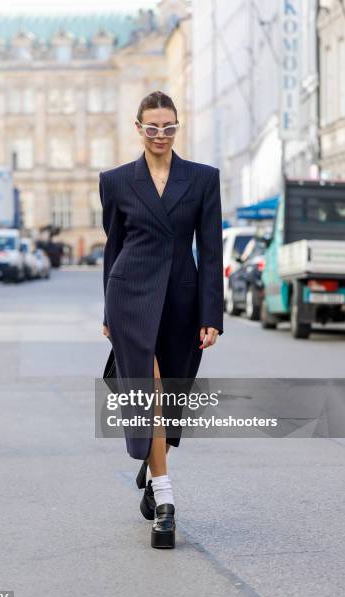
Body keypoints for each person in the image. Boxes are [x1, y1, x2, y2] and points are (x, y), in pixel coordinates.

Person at [99, 91, 224, 549]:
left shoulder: (203, 179)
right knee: (149, 391)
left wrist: (212, 313)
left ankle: (152, 473)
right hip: (130, 294)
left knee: (171, 396)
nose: (159, 135)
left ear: (177, 127)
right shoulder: (114, 181)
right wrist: (109, 311)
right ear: (138, 128)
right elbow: (114, 247)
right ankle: (166, 504)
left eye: (168, 127)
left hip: (181, 299)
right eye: (151, 127)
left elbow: (211, 250)